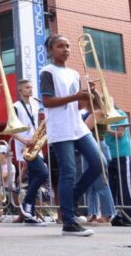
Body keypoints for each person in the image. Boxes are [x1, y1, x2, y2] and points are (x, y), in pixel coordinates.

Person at [40, 34, 104, 237]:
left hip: (77, 125)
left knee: (97, 162)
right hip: (60, 127)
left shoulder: (75, 73)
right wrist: (76, 96)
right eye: (60, 46)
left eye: (67, 46)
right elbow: (48, 102)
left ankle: (71, 199)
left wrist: (89, 95)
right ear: (51, 51)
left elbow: (78, 105)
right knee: (68, 172)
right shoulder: (47, 72)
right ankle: (68, 222)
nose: (65, 49)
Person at [12, 79, 49, 226]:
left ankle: (29, 215)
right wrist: (24, 140)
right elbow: (11, 130)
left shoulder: (35, 104)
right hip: (24, 146)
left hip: (35, 146)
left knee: (35, 177)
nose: (31, 90)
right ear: (20, 90)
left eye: (31, 87)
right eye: (27, 87)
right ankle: (27, 202)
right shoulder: (15, 107)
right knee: (43, 173)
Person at [83, 110, 117, 224]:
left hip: (96, 146)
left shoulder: (95, 112)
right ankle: (93, 213)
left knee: (101, 184)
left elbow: (83, 129)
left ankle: (107, 214)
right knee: (91, 185)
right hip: (95, 147)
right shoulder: (99, 112)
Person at [105, 110, 131, 225]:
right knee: (112, 186)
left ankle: (128, 215)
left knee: (125, 186)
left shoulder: (120, 114)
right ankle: (115, 216)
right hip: (109, 155)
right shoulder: (102, 114)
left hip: (122, 154)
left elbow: (120, 134)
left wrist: (107, 129)